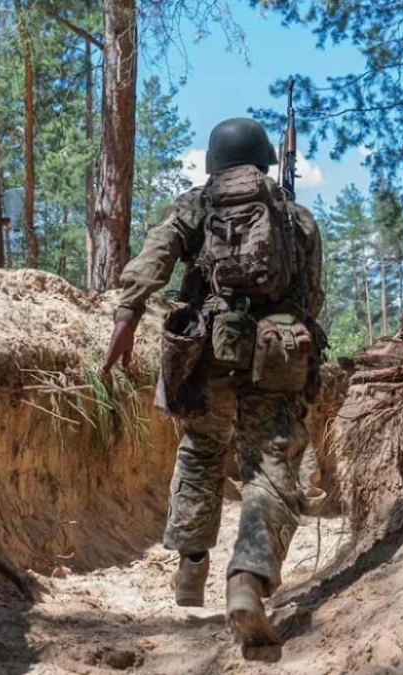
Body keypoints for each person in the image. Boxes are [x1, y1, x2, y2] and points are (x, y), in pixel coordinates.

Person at [100, 117, 324, 646]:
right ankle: (246, 578)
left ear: (213, 163)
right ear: (266, 161)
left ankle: (191, 567)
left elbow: (153, 259)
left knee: (201, 450)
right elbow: (311, 301)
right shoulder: (297, 218)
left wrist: (126, 318)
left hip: (205, 349)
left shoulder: (194, 205)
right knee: (270, 466)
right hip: (276, 354)